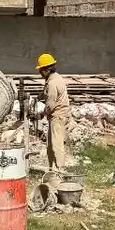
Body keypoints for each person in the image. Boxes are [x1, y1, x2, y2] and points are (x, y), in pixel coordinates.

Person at [36, 52, 71, 180]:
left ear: (46, 70)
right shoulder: (54, 79)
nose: (40, 72)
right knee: (50, 146)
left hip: (57, 116)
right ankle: (52, 170)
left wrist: (42, 113)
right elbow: (45, 94)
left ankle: (59, 172)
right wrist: (38, 97)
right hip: (56, 116)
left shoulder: (52, 83)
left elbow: (50, 104)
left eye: (41, 70)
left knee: (56, 145)